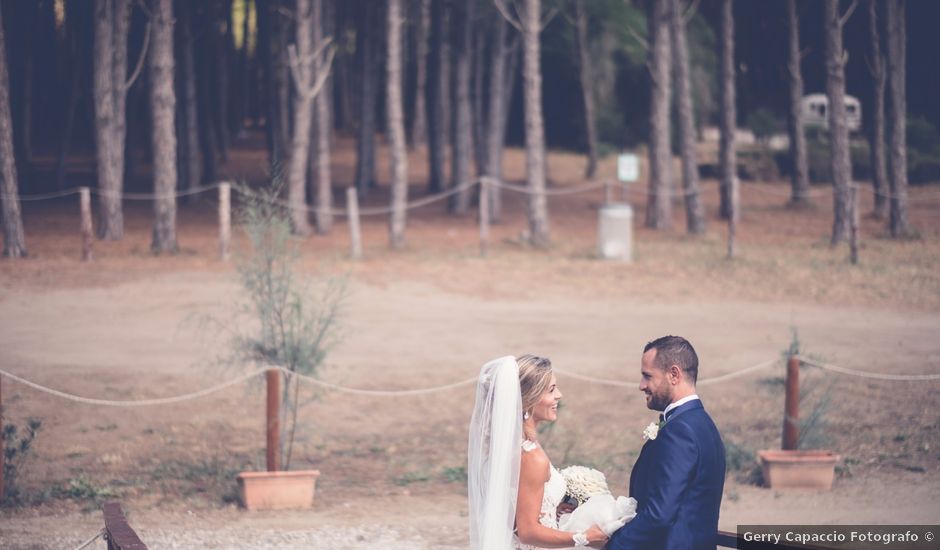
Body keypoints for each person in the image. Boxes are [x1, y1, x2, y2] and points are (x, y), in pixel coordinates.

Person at [468, 355, 608, 549]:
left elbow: (514, 513)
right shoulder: (531, 457)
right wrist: (584, 537)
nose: (559, 395)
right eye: (551, 390)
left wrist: (551, 508)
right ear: (527, 400)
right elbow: (528, 532)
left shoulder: (508, 448)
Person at [607, 336, 726, 550]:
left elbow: (659, 514)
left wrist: (614, 545)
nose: (641, 385)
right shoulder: (703, 423)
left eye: (647, 376)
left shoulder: (681, 431)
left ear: (674, 374)